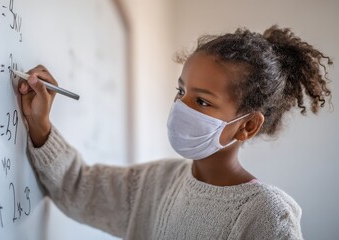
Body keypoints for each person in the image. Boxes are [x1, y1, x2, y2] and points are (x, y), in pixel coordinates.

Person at [17, 25, 332, 239]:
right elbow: (79, 188)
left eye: (202, 101)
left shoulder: (266, 214)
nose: (182, 107)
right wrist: (40, 124)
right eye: (180, 91)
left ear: (247, 125)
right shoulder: (158, 182)